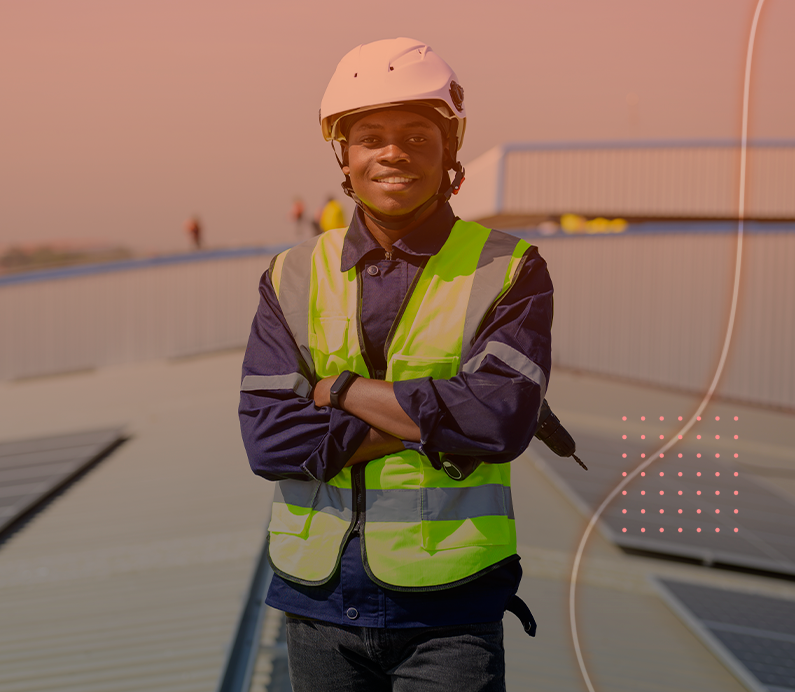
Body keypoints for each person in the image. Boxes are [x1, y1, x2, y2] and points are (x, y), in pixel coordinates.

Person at [239, 37, 553, 691]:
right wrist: (433, 419)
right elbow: (268, 438)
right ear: (343, 159)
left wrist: (339, 390)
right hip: (316, 604)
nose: (392, 153)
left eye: (416, 136)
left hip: (450, 610)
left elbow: (497, 423)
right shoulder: (292, 274)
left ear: (448, 156)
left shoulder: (508, 268)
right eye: (370, 137)